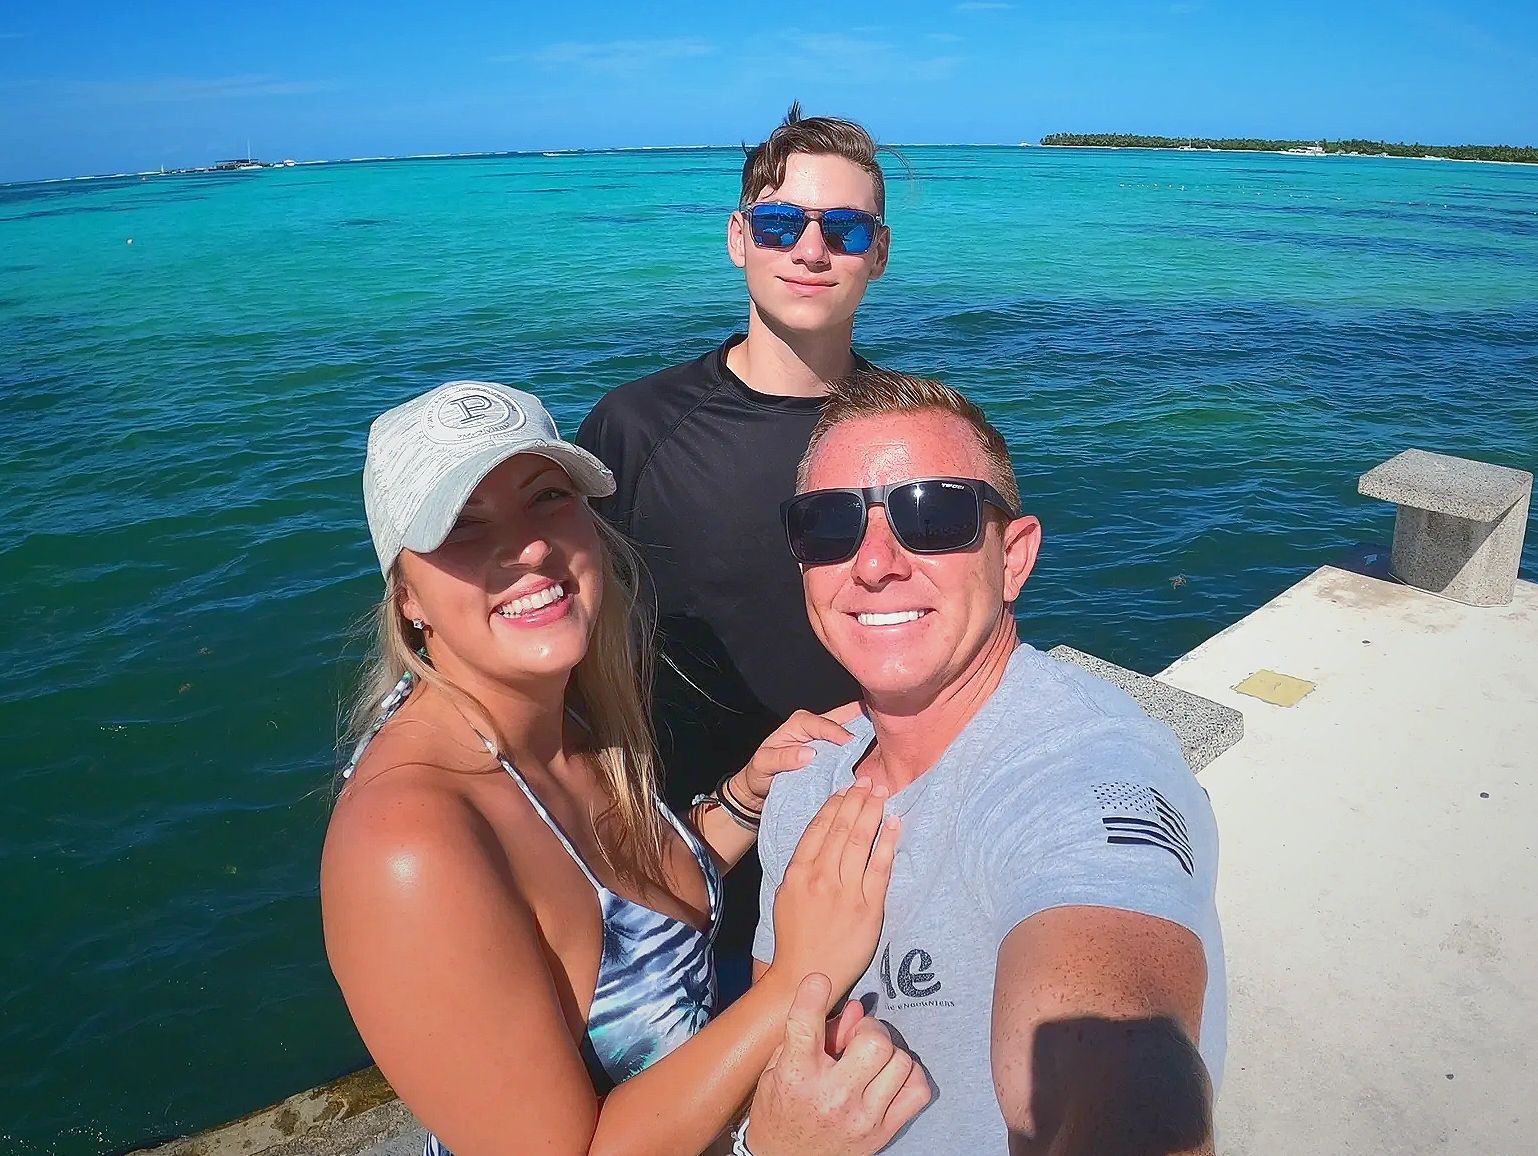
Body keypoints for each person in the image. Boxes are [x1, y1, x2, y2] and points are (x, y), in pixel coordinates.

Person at [320, 380, 928, 1156]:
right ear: (408, 597)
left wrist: (744, 797)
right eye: (463, 527)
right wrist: (797, 984)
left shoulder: (561, 718)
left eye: (547, 497)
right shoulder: (408, 848)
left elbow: (629, 921)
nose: (530, 547)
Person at [750, 371, 1226, 1154]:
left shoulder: (1082, 771)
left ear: (1014, 557)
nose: (874, 563)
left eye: (933, 515)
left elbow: (1125, 1068)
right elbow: (779, 1035)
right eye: (829, 525)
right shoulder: (807, 779)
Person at [575, 103, 894, 968]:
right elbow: (574, 637)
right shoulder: (635, 428)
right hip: (690, 830)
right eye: (783, 221)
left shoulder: (906, 431)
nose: (812, 248)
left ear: (880, 252)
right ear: (738, 237)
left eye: (845, 228)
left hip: (867, 826)